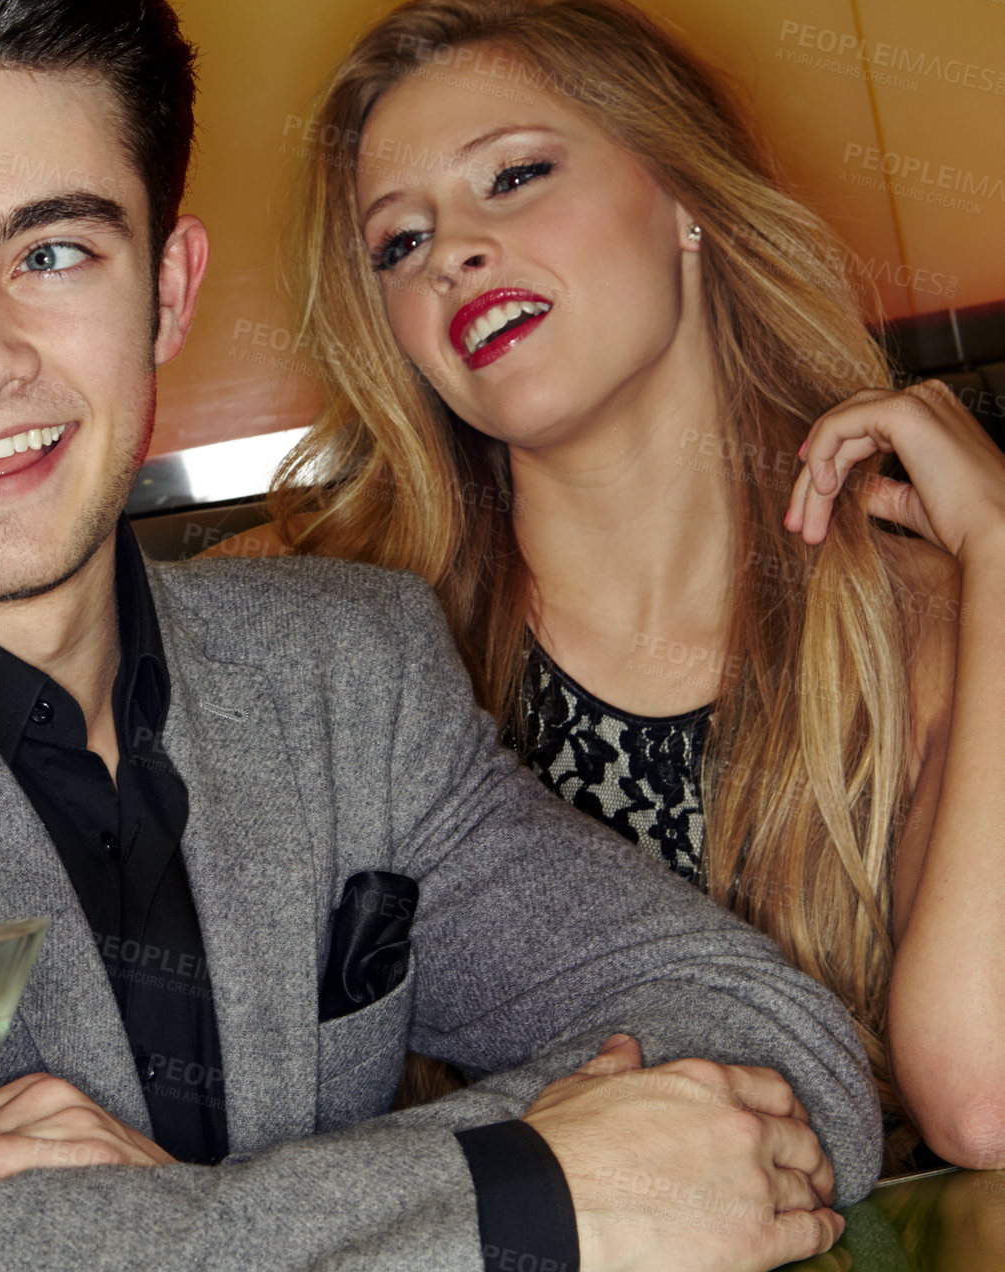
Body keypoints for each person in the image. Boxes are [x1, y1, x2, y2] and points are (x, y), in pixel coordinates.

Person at [0, 1, 883, 1270]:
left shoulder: (348, 671)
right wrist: (524, 1194)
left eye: (50, 252)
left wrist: (132, 1229)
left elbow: (769, 1048)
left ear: (168, 290)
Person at [255, 0, 1005, 1174]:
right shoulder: (332, 652)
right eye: (398, 243)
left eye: (512, 177)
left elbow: (985, 1103)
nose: (450, 250)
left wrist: (1000, 558)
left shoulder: (922, 626)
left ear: (685, 200)